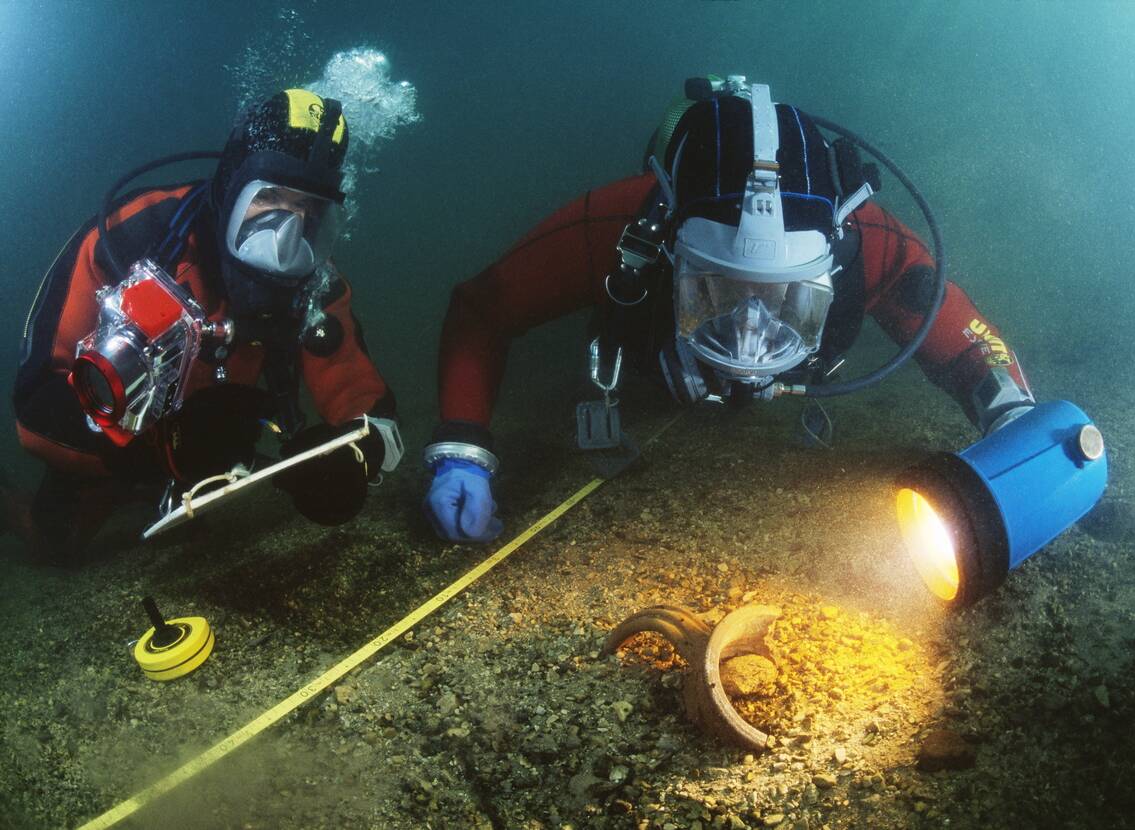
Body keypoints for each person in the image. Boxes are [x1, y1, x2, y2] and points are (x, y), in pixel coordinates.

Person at [423, 77, 1034, 543]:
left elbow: (969, 344)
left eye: (784, 297)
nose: (750, 336)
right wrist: (462, 449)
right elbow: (482, 310)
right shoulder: (627, 225)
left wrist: (1015, 425)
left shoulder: (866, 237)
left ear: (833, 256)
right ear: (670, 245)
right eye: (715, 290)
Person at [11, 88, 403, 561]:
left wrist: (357, 453)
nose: (285, 238)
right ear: (231, 187)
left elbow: (352, 380)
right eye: (271, 198)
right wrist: (154, 454)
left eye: (309, 210)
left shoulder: (313, 278)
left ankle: (155, 488)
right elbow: (36, 409)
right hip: (117, 440)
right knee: (54, 543)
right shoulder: (132, 235)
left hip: (213, 457)